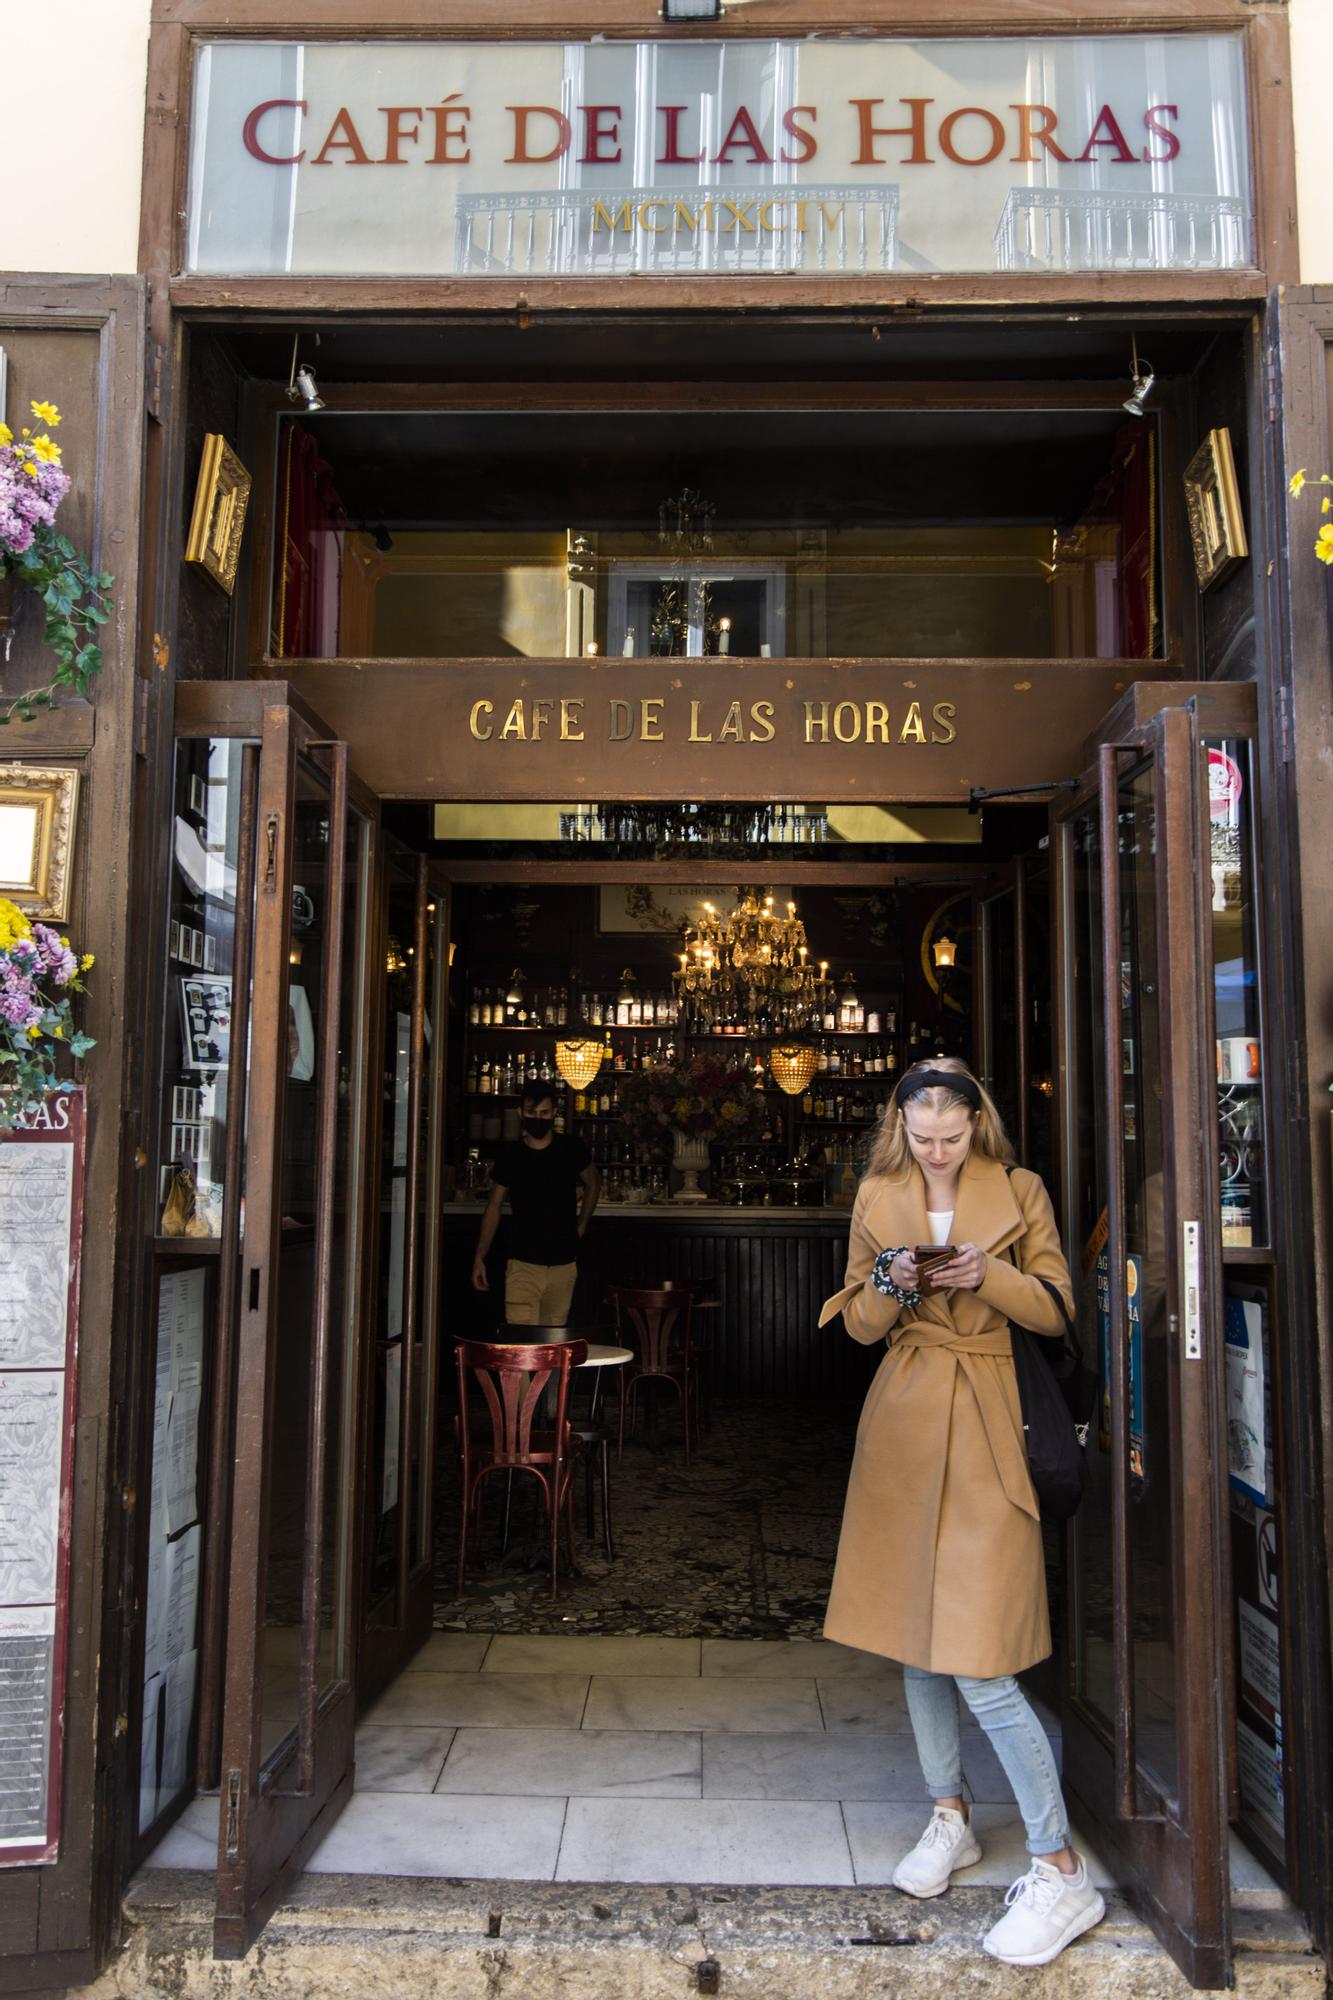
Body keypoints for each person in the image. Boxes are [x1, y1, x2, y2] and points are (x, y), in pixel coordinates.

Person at [820, 1056, 1105, 1968]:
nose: (935, 1153)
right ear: (898, 1128)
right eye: (920, 1138)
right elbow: (861, 1327)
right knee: (916, 1643)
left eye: (950, 1138)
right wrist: (895, 1283)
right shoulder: (876, 1194)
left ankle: (1060, 1868)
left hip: (991, 1418)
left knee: (981, 1659)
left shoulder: (1018, 1189)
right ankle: (950, 1818)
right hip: (904, 1421)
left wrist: (986, 1273)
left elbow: (1057, 1313)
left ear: (974, 1126)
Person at [471, 1081, 600, 1325]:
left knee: (553, 1346)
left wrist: (582, 1223)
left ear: (554, 1113)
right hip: (522, 1263)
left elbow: (594, 1183)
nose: (537, 1118)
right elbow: (493, 1207)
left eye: (543, 1113)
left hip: (564, 1263)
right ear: (521, 1113)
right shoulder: (511, 1156)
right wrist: (480, 1256)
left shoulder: (571, 1148)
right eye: (531, 1113)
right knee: (521, 1346)